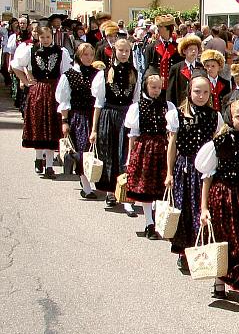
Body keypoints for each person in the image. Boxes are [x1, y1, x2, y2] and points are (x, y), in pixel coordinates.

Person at [196, 99, 239, 310]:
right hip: (221, 196)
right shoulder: (217, 144)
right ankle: (220, 280)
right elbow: (207, 179)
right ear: (230, 117)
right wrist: (204, 207)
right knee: (223, 239)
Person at [165, 73, 224, 273]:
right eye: (197, 91)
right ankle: (183, 252)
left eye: (206, 92)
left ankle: (202, 250)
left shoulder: (215, 116)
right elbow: (172, 146)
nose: (201, 95)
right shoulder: (178, 115)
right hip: (185, 167)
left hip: (207, 170)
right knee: (186, 210)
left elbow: (218, 143)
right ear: (189, 91)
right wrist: (169, 173)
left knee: (205, 210)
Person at [11, 25, 72, 178]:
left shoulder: (61, 52)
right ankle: (39, 158)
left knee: (51, 127)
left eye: (48, 37)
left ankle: (50, 166)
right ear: (38, 37)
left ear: (52, 37)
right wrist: (25, 81)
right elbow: (15, 65)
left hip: (53, 91)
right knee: (39, 126)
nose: (45, 40)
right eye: (42, 37)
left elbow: (66, 73)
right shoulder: (31, 50)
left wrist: (65, 91)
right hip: (37, 91)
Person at [124, 72, 176, 239]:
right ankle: (149, 223)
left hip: (163, 148)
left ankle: (159, 220)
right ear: (146, 87)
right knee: (145, 188)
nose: (156, 91)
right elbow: (133, 134)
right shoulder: (137, 107)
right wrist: (129, 157)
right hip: (145, 148)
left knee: (161, 187)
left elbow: (173, 133)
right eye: (153, 87)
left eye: (159, 88)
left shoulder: (168, 106)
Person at [90, 38, 140, 208]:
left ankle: (125, 193)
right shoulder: (105, 73)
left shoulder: (135, 72)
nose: (124, 54)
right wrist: (94, 129)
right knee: (109, 153)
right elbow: (98, 103)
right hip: (109, 116)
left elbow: (136, 101)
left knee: (125, 154)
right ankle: (110, 192)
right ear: (115, 52)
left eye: (127, 51)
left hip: (127, 116)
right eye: (121, 51)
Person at [55, 43, 101, 196]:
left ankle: (96, 181)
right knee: (82, 151)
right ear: (79, 56)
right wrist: (64, 121)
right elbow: (63, 100)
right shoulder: (69, 75)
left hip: (95, 116)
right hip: (79, 117)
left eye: (90, 55)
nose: (88, 58)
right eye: (85, 55)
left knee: (96, 151)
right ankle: (86, 187)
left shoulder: (99, 73)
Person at [144, 15, 181, 95]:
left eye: (160, 26)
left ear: (168, 28)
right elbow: (147, 69)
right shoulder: (151, 47)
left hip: (172, 87)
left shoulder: (178, 48)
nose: (158, 29)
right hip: (156, 88)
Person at [167, 34, 203, 107]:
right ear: (184, 51)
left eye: (195, 49)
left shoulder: (201, 67)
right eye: (191, 49)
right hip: (181, 104)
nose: (193, 51)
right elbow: (170, 91)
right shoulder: (176, 68)